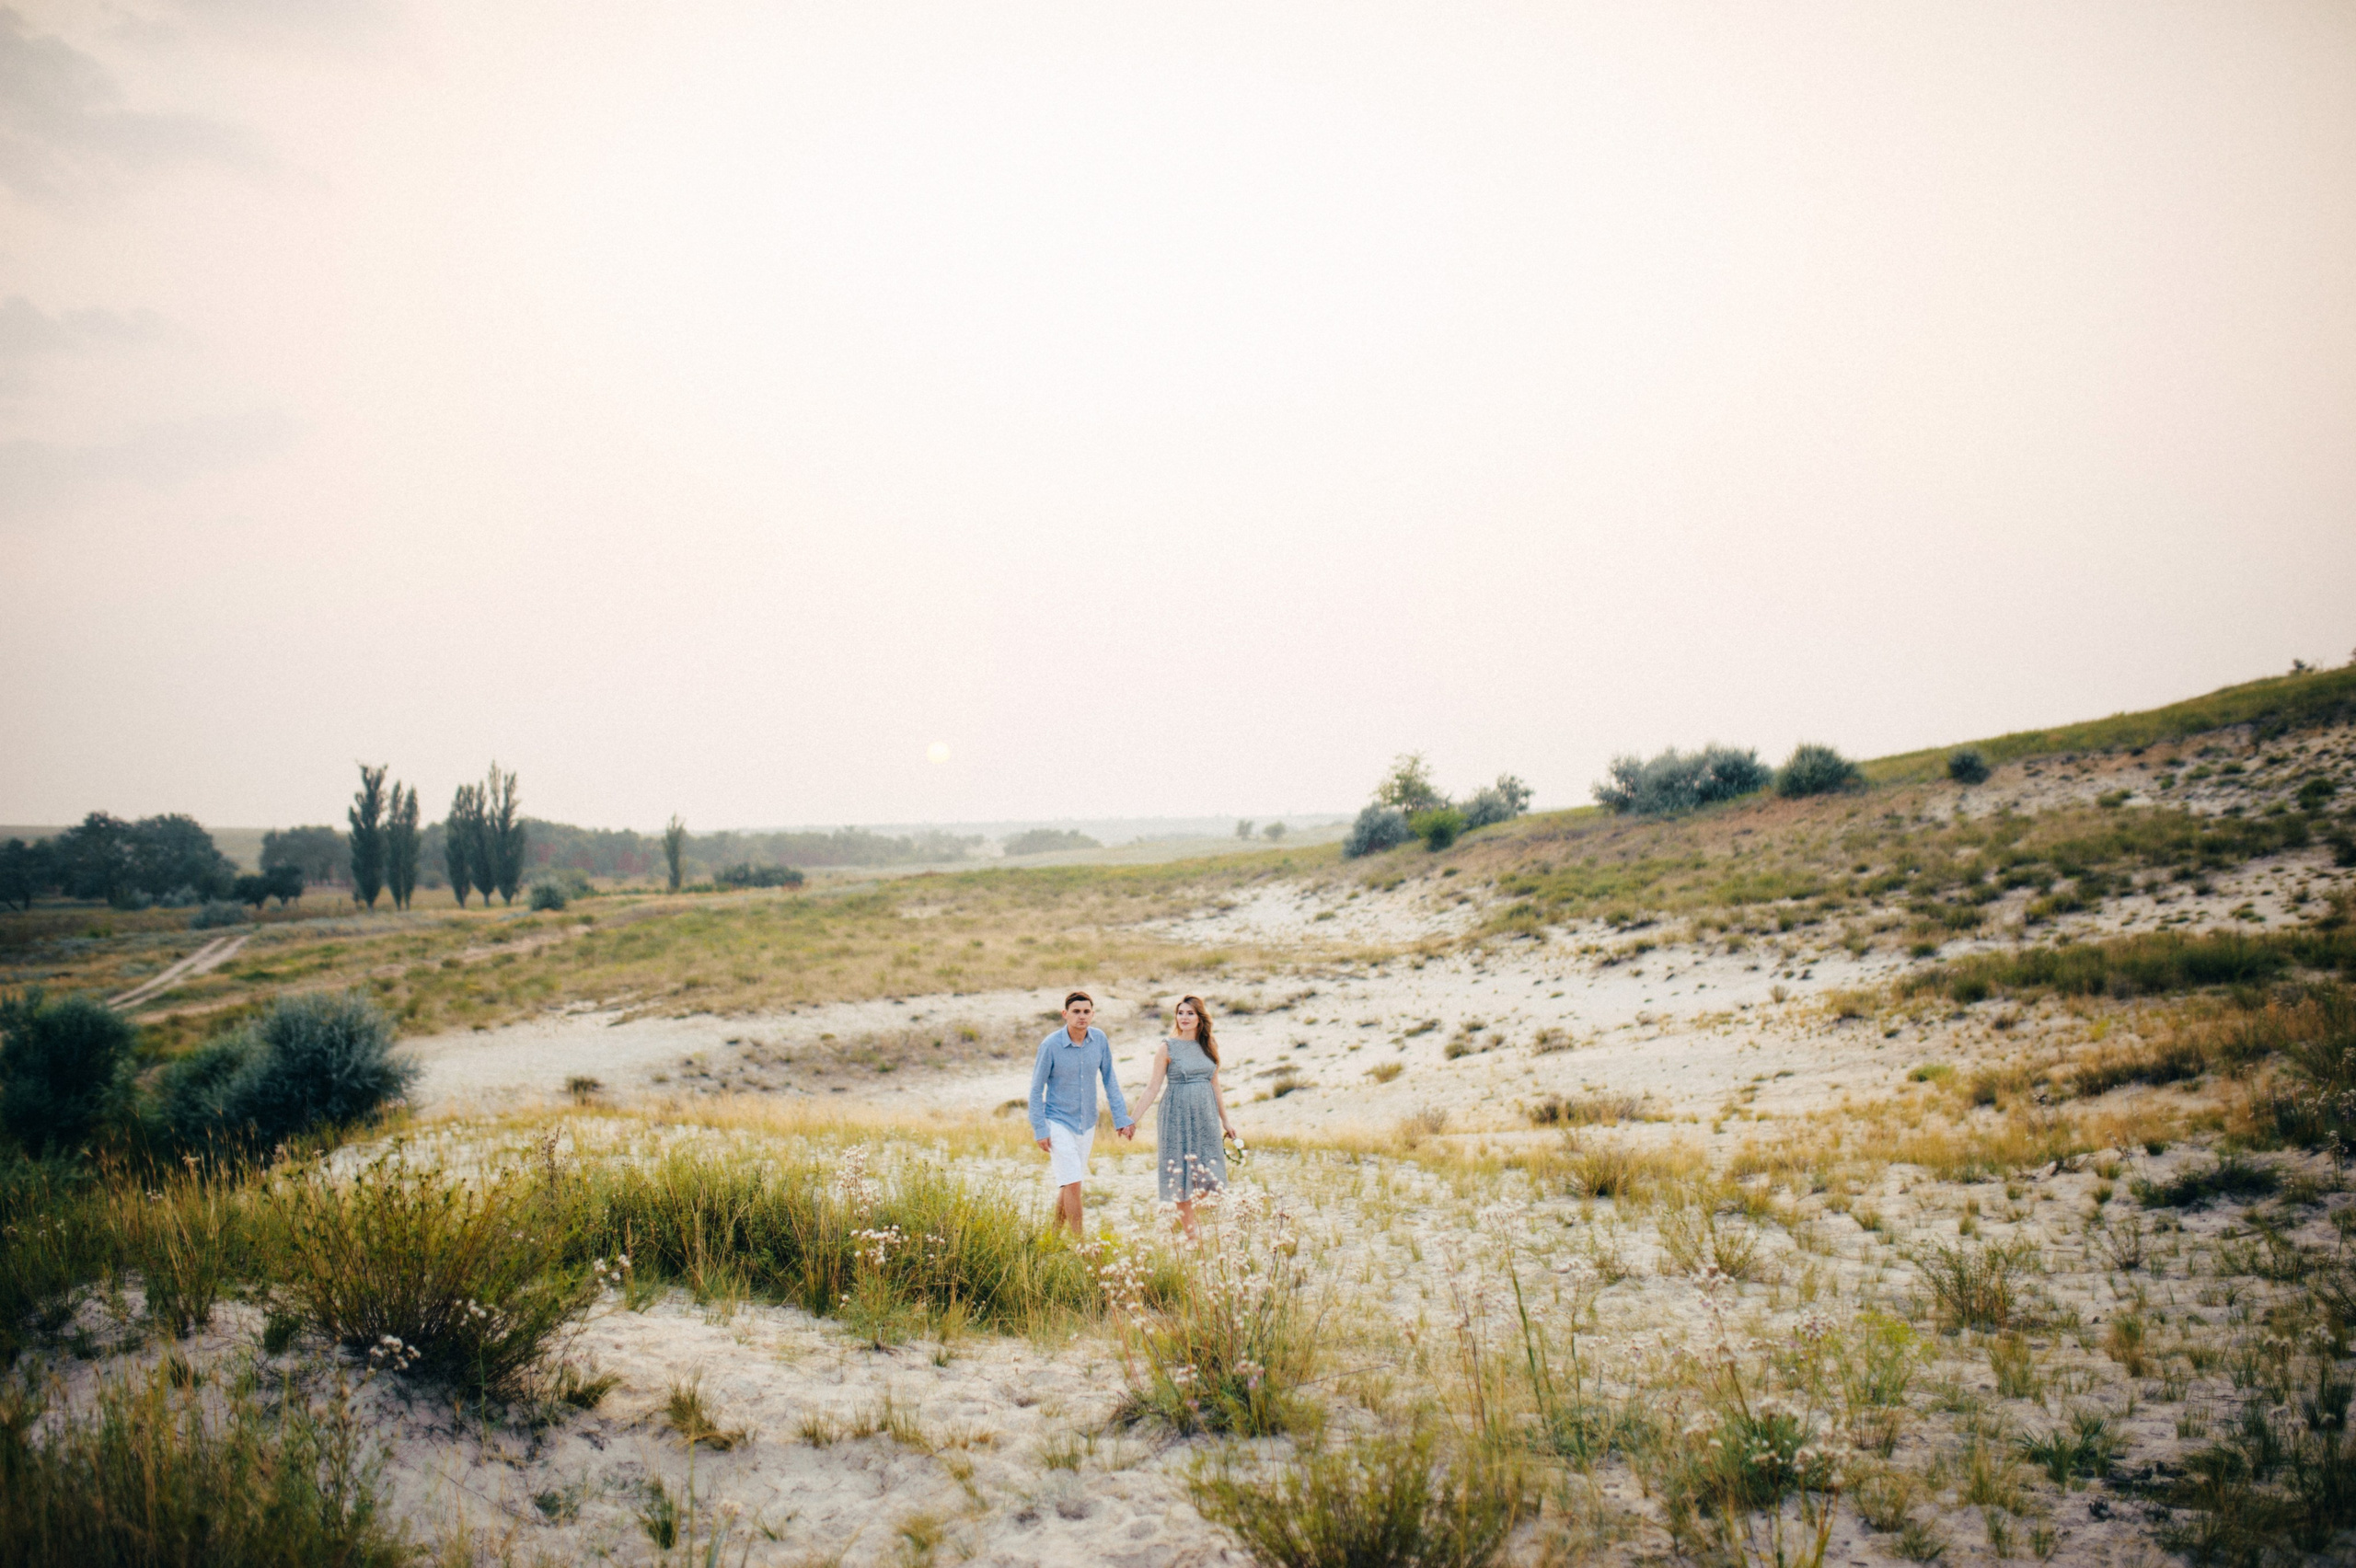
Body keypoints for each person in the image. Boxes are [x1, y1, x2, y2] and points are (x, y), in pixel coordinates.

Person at [1127, 994, 1236, 1239]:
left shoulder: (1209, 1045)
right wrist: (1132, 1119)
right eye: (1180, 1013)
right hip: (1176, 1113)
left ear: (1200, 1018)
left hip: (1205, 1113)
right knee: (1181, 1171)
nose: (1184, 1018)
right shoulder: (1167, 1047)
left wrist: (1225, 1121)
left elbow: (1215, 1084)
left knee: (1210, 1172)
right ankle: (1190, 1234)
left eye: (1190, 1013)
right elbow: (1152, 1087)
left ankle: (1185, 1219)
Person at [1026, 991, 1133, 1237]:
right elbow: (1035, 1090)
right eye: (1076, 1011)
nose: (1081, 1016)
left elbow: (1110, 1081)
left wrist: (1121, 1119)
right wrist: (1040, 1129)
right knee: (1074, 1182)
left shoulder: (1100, 1040)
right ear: (1065, 1014)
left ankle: (1053, 1237)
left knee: (1069, 1181)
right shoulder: (1050, 1045)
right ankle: (1080, 1243)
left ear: (1092, 1015)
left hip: (1087, 1124)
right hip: (1058, 1121)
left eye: (1086, 1012)